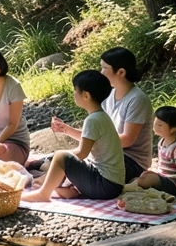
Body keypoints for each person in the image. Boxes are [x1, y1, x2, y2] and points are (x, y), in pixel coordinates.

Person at [47, 47, 152, 181]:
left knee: (61, 168)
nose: (101, 72)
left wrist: (87, 146)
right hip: (108, 155)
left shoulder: (137, 99)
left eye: (104, 68)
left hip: (131, 162)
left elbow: (127, 139)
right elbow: (97, 136)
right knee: (48, 163)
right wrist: (66, 130)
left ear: (121, 72)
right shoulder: (109, 95)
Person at [22, 70, 125, 202]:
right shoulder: (101, 117)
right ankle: (61, 189)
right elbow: (88, 138)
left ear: (86, 95)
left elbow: (82, 153)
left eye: (75, 90)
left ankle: (43, 194)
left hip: (104, 185)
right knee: (62, 162)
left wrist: (58, 159)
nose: (73, 93)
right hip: (112, 186)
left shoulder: (93, 120)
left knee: (61, 156)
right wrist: (66, 130)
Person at [133, 106, 176, 201]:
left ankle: (132, 187)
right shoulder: (161, 142)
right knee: (144, 175)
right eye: (154, 123)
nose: (155, 127)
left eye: (159, 125)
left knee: (149, 179)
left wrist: (161, 180)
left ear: (173, 129)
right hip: (167, 180)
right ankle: (139, 187)